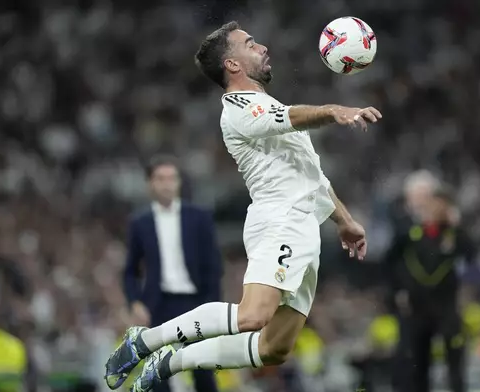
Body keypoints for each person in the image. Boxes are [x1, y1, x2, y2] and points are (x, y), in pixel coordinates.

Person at [104, 21, 381, 392]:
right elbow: (288, 118)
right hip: (280, 220)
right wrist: (333, 110)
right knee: (253, 315)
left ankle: (170, 361)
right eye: (250, 44)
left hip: (303, 228)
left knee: (274, 348)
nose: (263, 46)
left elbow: (311, 176)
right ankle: (147, 340)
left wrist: (344, 221)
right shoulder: (237, 108)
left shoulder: (268, 103)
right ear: (232, 65)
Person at [122, 155, 222, 392]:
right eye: (160, 178)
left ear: (178, 182)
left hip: (195, 302)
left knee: (203, 368)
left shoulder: (199, 217)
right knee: (156, 373)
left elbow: (214, 266)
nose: (167, 184)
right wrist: (135, 301)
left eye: (171, 178)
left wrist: (212, 305)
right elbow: (130, 270)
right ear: (150, 184)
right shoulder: (140, 222)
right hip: (158, 304)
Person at [385, 177, 476, 392]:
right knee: (418, 361)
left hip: (446, 305)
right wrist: (398, 291)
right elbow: (390, 262)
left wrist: (456, 227)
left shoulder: (453, 234)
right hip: (418, 307)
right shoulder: (410, 232)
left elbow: (471, 255)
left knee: (455, 358)